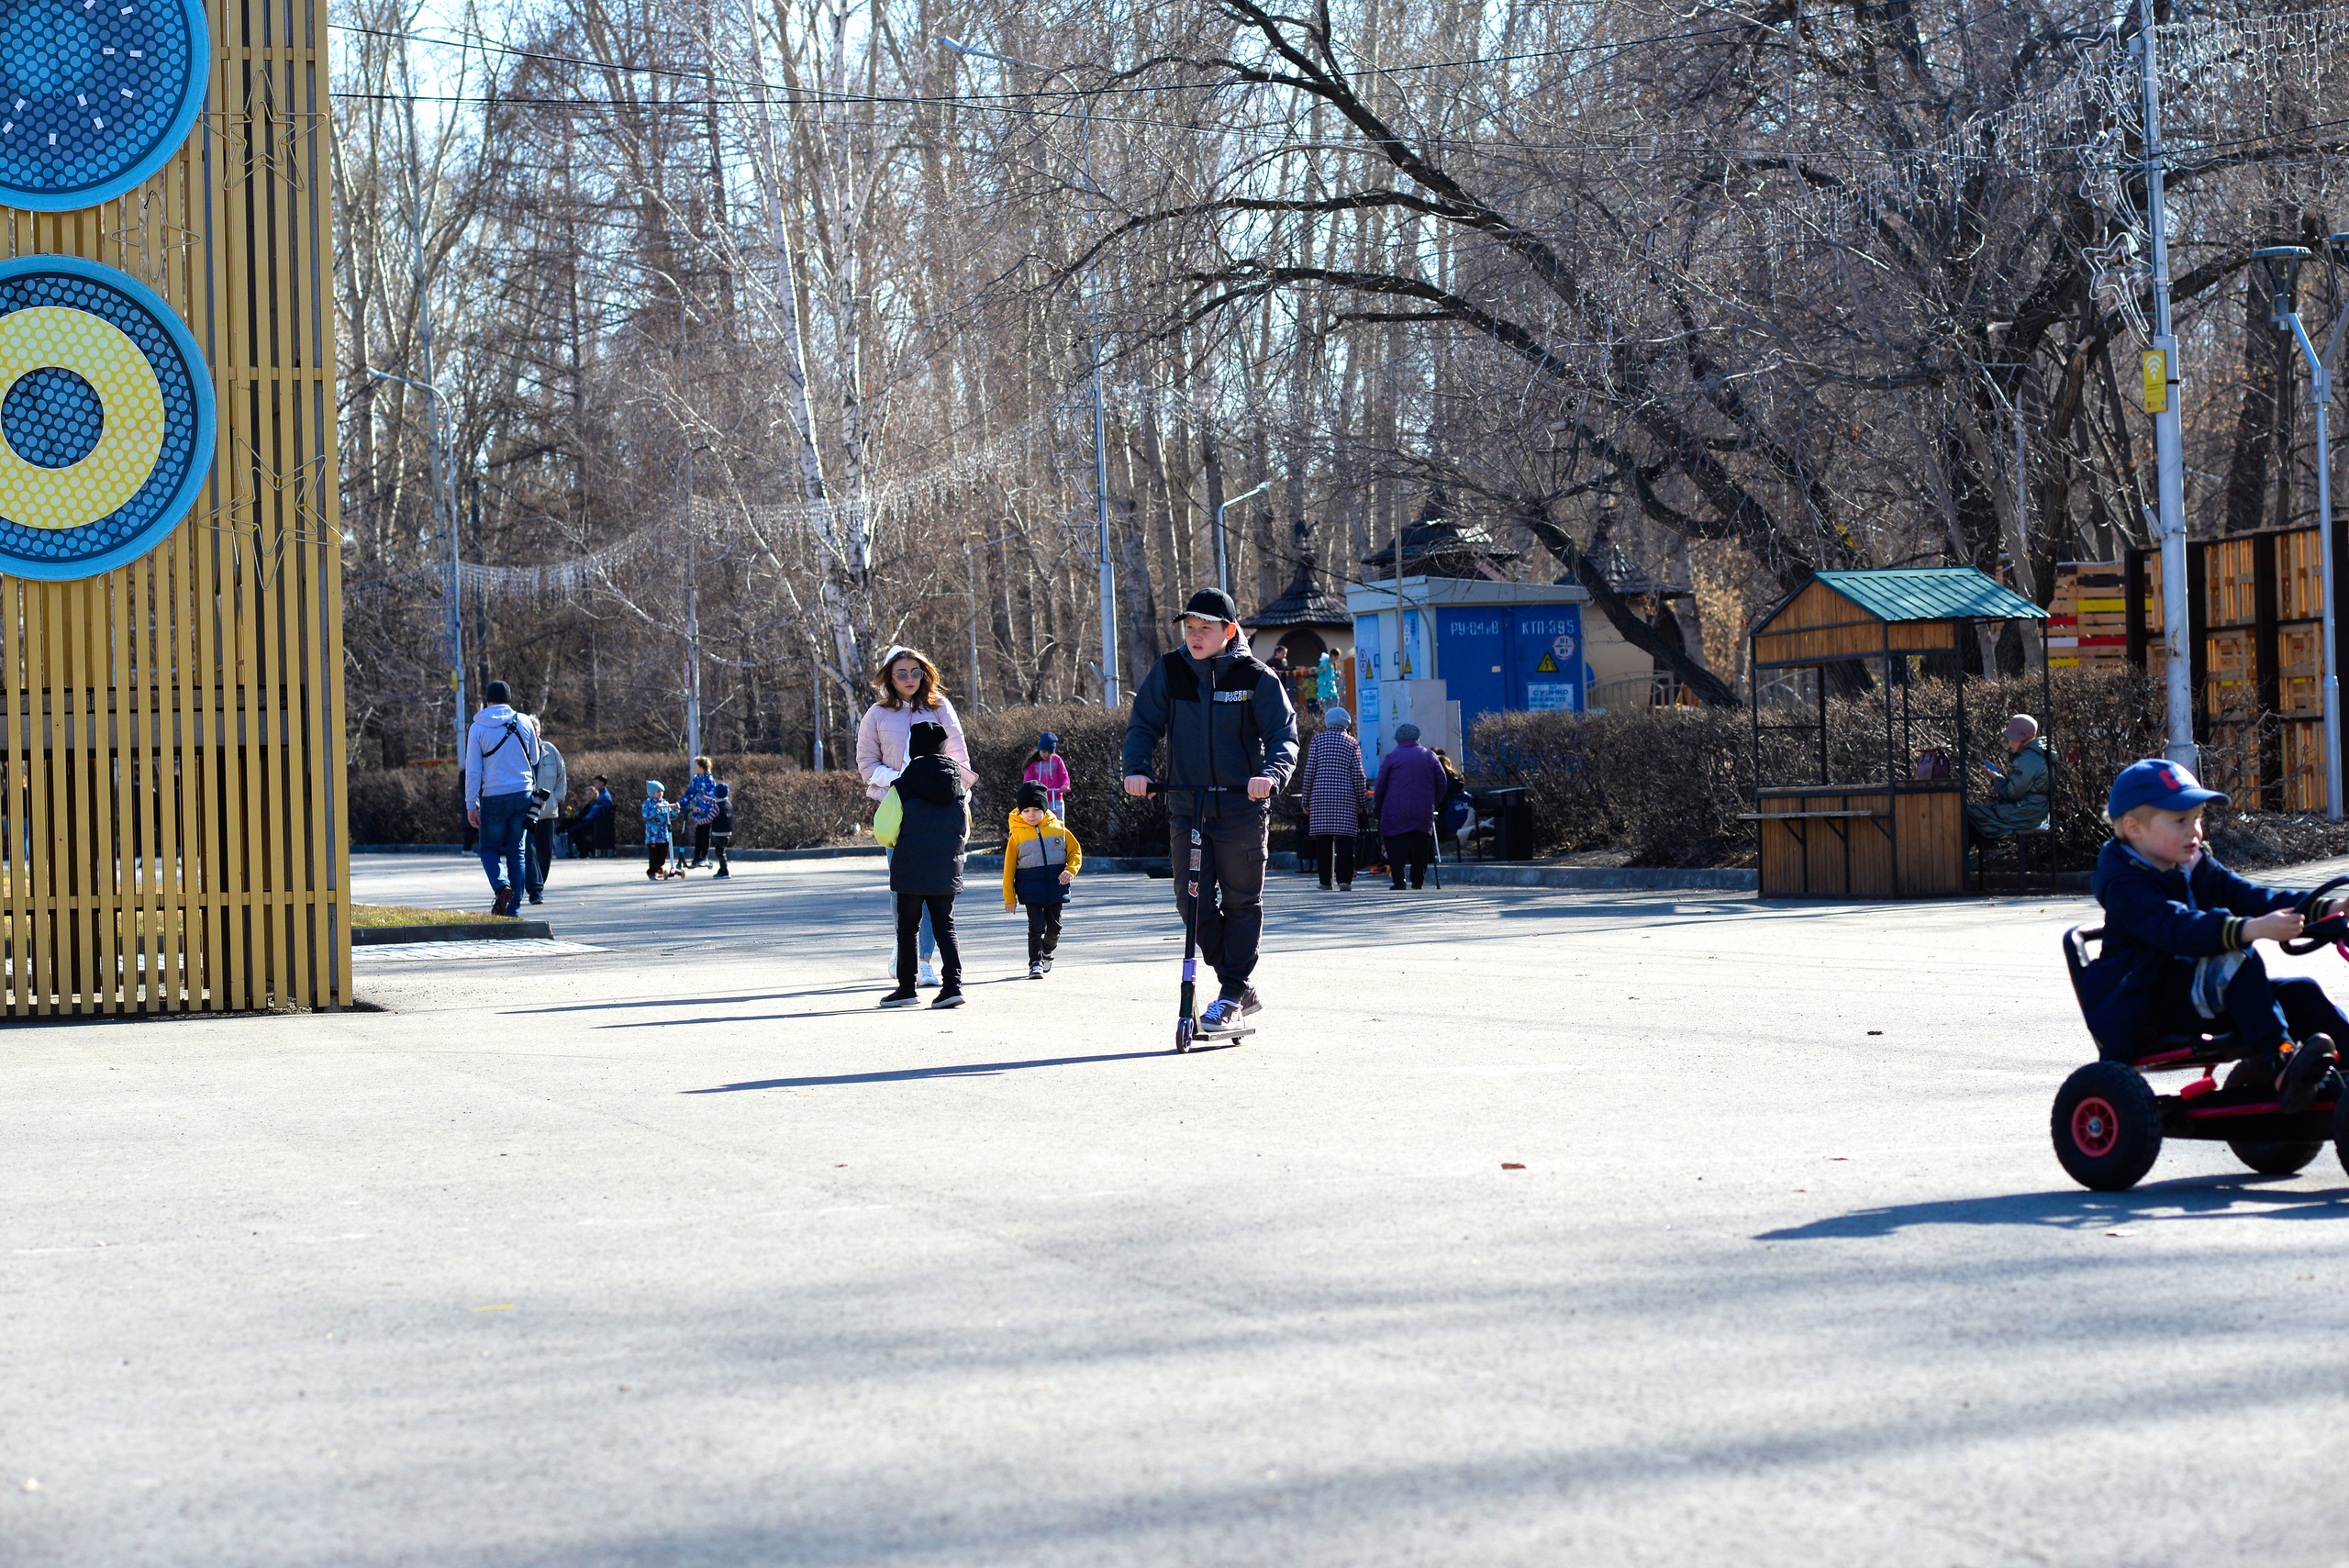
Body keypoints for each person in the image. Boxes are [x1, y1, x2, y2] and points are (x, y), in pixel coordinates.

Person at [2081, 759, 2349, 1113]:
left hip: (2196, 994)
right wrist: (2249, 929)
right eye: (2180, 821)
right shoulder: (2123, 884)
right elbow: (2177, 928)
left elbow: (2252, 897)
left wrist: (2328, 909)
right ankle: (2284, 1063)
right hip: (2147, 1008)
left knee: (2301, 992)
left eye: (2198, 818)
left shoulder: (2193, 863)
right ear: (2134, 828)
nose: (2195, 831)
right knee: (2233, 958)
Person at [1123, 587, 1299, 1032]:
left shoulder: (1256, 678)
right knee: (1191, 901)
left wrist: (1271, 776)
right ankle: (1238, 985)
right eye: (1190, 628)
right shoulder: (1171, 670)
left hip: (1242, 807)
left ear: (1229, 631)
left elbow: (1284, 737)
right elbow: (1143, 725)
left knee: (1242, 902)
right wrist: (1137, 770)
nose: (1195, 637)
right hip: (1188, 807)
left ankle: (1230, 995)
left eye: (1205, 629)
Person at [857, 645, 974, 987]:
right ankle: (903, 947)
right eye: (901, 673)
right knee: (904, 890)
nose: (910, 679)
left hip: (940, 812)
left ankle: (923, 960)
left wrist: (962, 803)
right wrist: (905, 782)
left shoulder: (941, 707)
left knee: (936, 889)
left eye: (916, 672)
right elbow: (867, 765)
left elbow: (959, 760)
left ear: (925, 674)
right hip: (901, 810)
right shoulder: (877, 714)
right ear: (889, 678)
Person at [878, 721, 968, 1009]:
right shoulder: (957, 786)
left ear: (913, 749)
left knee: (908, 928)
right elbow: (964, 828)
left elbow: (884, 830)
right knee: (946, 926)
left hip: (910, 868)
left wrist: (897, 843)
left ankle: (907, 988)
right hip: (945, 868)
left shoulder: (903, 786)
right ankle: (952, 987)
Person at [462, 679, 541, 917]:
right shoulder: (525, 721)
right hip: (523, 794)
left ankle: (501, 886)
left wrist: (470, 804)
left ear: (488, 702)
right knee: (517, 851)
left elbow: (473, 770)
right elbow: (535, 758)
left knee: (488, 848)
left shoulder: (477, 727)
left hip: (494, 796)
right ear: (509, 701)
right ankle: (513, 908)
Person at [1003, 780, 1082, 978]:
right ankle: (1035, 962)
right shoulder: (1017, 836)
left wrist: (1071, 870)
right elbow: (1009, 868)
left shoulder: (1059, 829)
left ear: (1044, 810)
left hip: (1056, 887)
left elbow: (1075, 852)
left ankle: (1047, 951)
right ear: (1020, 812)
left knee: (1054, 928)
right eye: (1026, 810)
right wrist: (1009, 897)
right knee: (1036, 926)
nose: (1031, 815)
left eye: (1036, 810)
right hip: (1030, 889)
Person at [1374, 722, 1450, 890]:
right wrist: (1432, 802)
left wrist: (1377, 811)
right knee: (1421, 846)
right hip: (1423, 811)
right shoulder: (1430, 756)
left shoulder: (1392, 757)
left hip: (1395, 811)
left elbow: (1380, 787)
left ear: (1398, 739)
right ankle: (1418, 880)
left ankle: (1399, 879)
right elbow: (1442, 783)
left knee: (1395, 844)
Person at [1297, 705, 1365, 891]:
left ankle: (1325, 881)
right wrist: (1362, 802)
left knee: (1323, 840)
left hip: (1320, 797)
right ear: (1347, 723)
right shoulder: (1352, 743)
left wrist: (1306, 800)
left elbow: (1309, 771)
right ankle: (1344, 880)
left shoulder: (1318, 740)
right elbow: (1358, 775)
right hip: (1346, 797)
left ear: (1327, 722)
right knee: (1345, 841)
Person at [1968, 714, 2053, 842]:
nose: (2009, 744)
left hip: (2026, 814)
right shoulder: (2035, 754)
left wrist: (1997, 779)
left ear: (2020, 738)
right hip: (2032, 811)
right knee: (1974, 813)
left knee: (1969, 811)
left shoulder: (2028, 758)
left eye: (2011, 739)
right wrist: (1996, 777)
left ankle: (1966, 858)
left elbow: (2012, 794)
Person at [523, 724, 566, 906]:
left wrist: (557, 798)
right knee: (529, 852)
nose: (532, 731)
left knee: (546, 853)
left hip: (548, 811)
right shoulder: (520, 748)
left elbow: (561, 774)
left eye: (535, 728)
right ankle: (535, 890)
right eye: (529, 728)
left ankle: (538, 884)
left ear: (539, 731)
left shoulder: (550, 750)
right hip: (527, 811)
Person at [680, 756, 718, 868]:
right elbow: (690, 794)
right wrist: (680, 803)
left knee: (705, 835)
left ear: (701, 768)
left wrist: (704, 809)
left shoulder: (709, 779)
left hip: (707, 814)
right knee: (698, 835)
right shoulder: (696, 779)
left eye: (695, 766)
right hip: (697, 814)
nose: (693, 768)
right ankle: (696, 857)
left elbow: (712, 797)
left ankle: (704, 857)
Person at [1022, 733, 1072, 817]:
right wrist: (1030, 789)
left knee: (1059, 821)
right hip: (1039, 799)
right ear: (1039, 749)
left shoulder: (1057, 760)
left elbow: (1064, 775)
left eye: (1049, 752)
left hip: (1056, 798)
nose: (1046, 755)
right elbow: (1028, 780)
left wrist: (1065, 785)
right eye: (1044, 752)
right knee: (1040, 821)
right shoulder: (1033, 763)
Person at [641, 781, 682, 880]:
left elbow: (671, 816)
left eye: (662, 791)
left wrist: (675, 810)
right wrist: (656, 810)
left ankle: (659, 867)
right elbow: (646, 816)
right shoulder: (648, 803)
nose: (660, 793)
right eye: (658, 791)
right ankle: (652, 872)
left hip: (664, 835)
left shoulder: (665, 803)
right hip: (653, 836)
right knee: (654, 855)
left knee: (663, 854)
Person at [708, 779, 734, 879]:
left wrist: (700, 822)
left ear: (716, 794)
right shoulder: (728, 804)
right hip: (728, 832)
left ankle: (724, 870)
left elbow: (709, 818)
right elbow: (717, 802)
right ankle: (722, 869)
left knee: (719, 852)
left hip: (718, 833)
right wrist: (708, 799)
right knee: (722, 850)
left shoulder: (716, 807)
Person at [1313, 650, 1339, 717]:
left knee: (1335, 702)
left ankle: (1335, 718)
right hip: (1325, 689)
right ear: (1333, 656)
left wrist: (1336, 674)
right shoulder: (1325, 662)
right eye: (1336, 657)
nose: (1337, 659)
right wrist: (1321, 669)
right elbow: (1318, 671)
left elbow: (1332, 675)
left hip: (1332, 688)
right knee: (1327, 708)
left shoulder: (1332, 663)